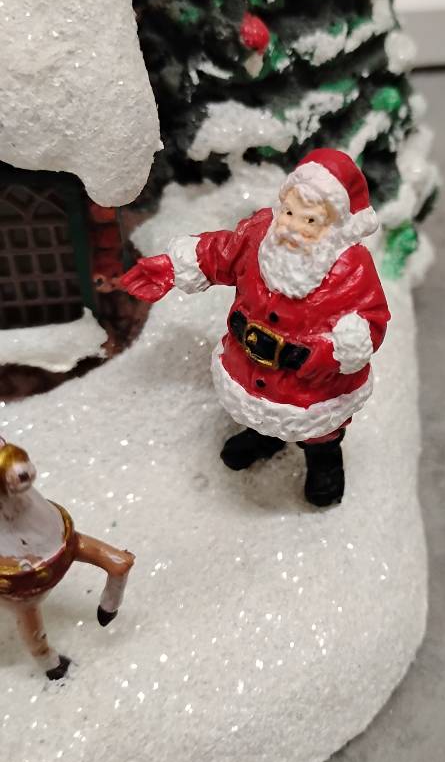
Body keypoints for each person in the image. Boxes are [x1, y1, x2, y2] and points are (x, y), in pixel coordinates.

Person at [122, 148, 390, 507]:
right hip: (250, 367)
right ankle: (265, 436)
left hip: (312, 386)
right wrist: (176, 265)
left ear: (334, 227)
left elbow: (372, 321)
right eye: (289, 212)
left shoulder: (352, 269)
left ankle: (324, 460)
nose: (292, 227)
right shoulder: (260, 234)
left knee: (319, 430)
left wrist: (336, 349)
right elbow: (223, 252)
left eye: (309, 220)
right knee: (261, 413)